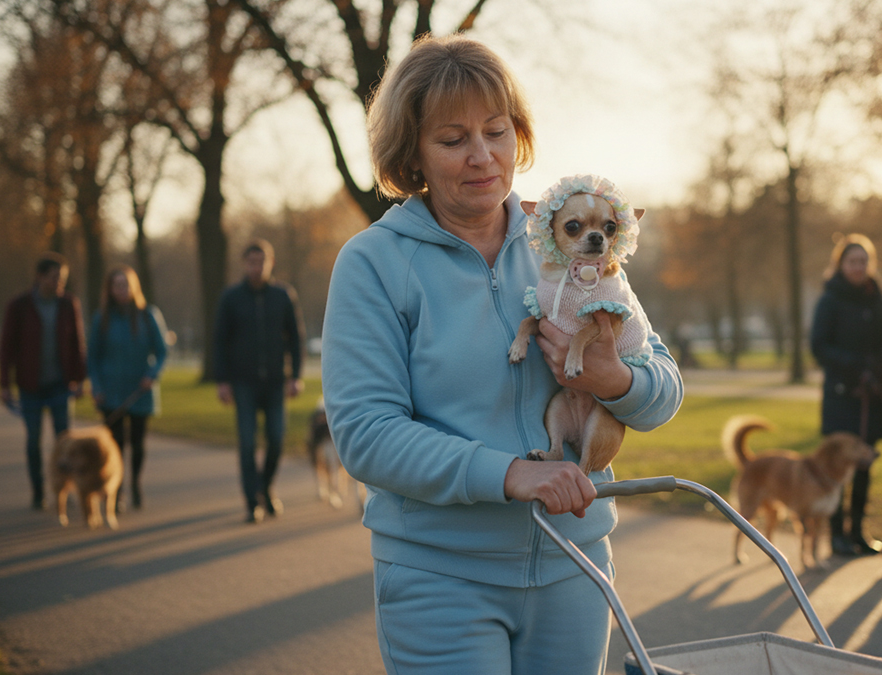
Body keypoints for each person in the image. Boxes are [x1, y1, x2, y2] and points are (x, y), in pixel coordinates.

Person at [320, 35, 682, 675]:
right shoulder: (374, 262)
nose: (482, 156)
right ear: (413, 155)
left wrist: (616, 378)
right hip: (440, 579)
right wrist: (510, 473)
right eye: (453, 139)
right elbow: (366, 435)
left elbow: (663, 388)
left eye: (497, 131)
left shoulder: (570, 240)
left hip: (575, 565)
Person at [212, 239, 305, 524]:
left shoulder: (283, 295)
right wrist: (222, 381)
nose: (256, 267)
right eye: (251, 262)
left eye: (261, 262)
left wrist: (296, 376)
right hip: (243, 383)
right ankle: (252, 502)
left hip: (276, 381)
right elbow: (219, 341)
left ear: (270, 263)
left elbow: (296, 338)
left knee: (277, 439)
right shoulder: (231, 297)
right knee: (247, 443)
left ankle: (265, 487)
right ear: (244, 264)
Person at [810, 234, 882, 557]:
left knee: (864, 467)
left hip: (870, 396)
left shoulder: (878, 299)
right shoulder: (830, 300)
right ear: (840, 265)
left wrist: (878, 369)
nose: (859, 267)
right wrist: (854, 366)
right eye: (852, 261)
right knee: (837, 469)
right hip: (843, 396)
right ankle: (837, 535)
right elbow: (819, 346)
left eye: (863, 261)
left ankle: (858, 531)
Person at [0, 252, 87, 509]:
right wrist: (4, 385)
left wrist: (80, 379)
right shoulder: (19, 306)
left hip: (60, 384)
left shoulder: (68, 304)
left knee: (64, 441)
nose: (59, 283)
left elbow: (77, 344)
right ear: (39, 277)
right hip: (30, 385)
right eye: (54, 277)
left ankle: (63, 488)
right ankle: (38, 490)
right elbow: (6, 347)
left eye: (62, 279)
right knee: (33, 439)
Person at [87, 265, 169, 509]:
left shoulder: (148, 315)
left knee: (138, 443)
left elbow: (163, 351)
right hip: (110, 391)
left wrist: (152, 374)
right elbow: (92, 357)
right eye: (117, 285)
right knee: (115, 444)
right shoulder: (101, 319)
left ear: (134, 287)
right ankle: (117, 489)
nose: (121, 290)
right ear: (110, 289)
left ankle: (136, 483)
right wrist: (97, 387)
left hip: (140, 391)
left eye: (125, 285)